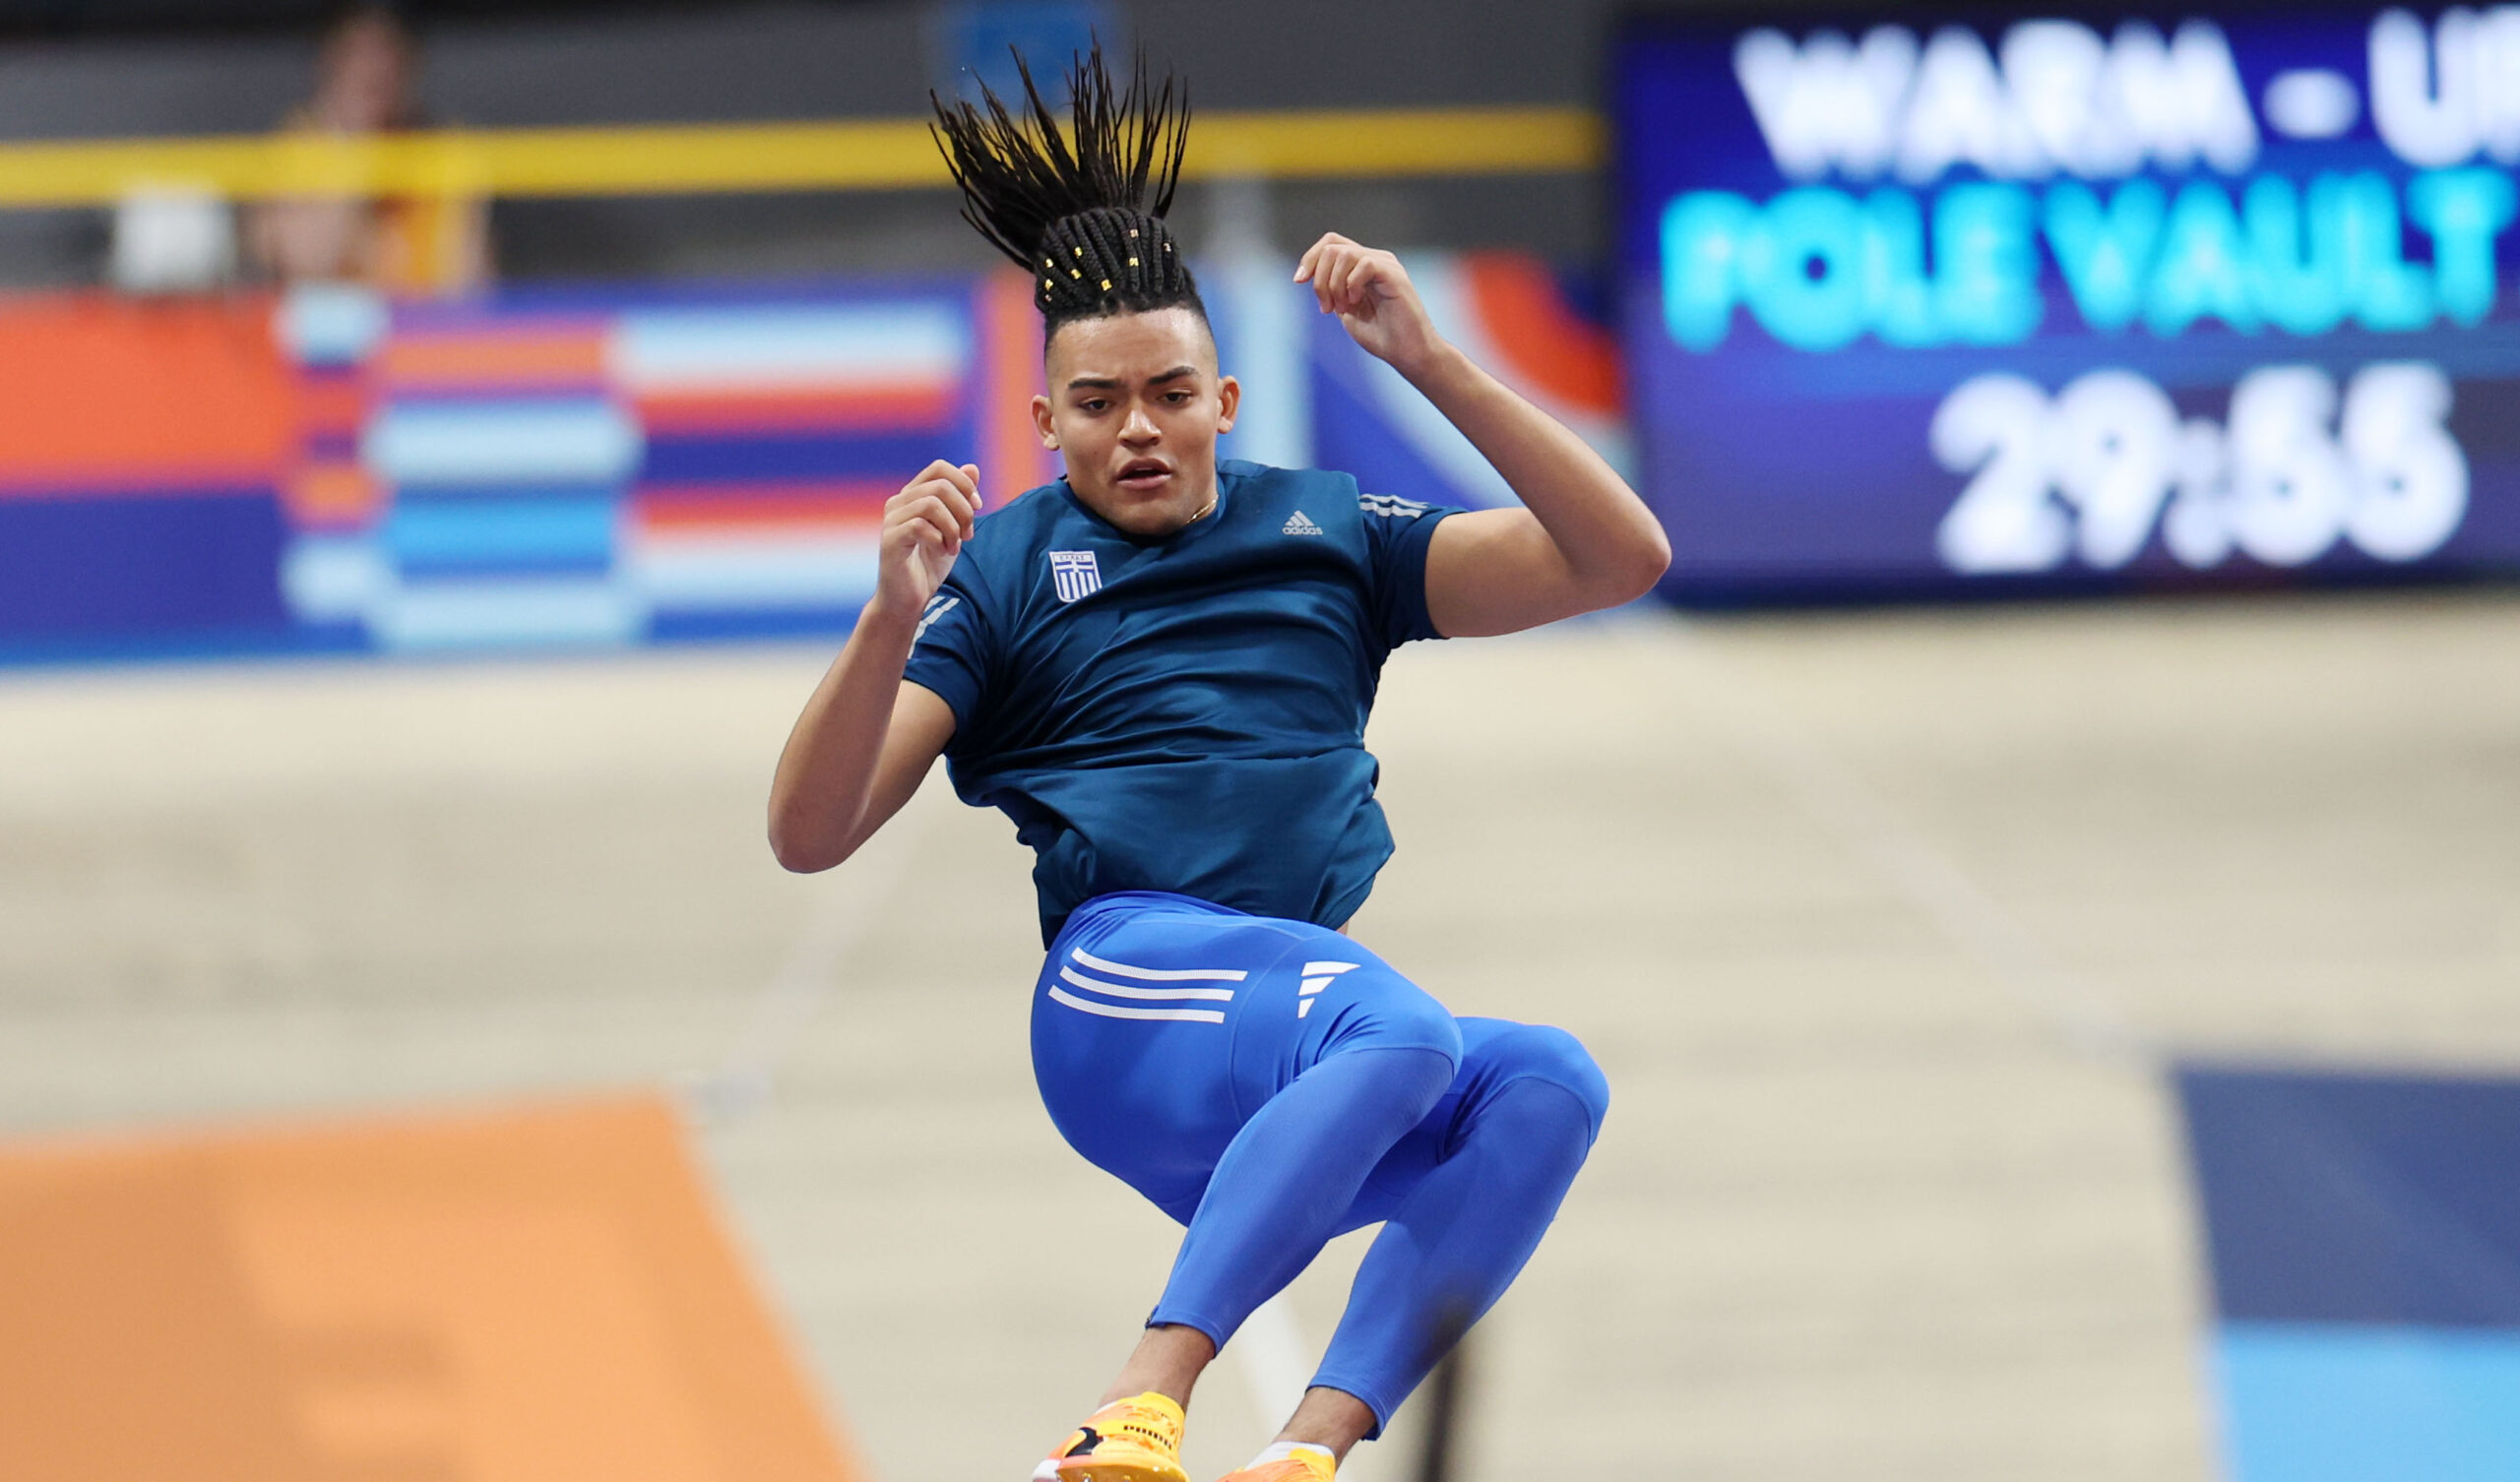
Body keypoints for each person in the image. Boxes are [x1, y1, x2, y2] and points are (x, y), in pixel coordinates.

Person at [769, 48, 1669, 1482]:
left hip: (1295, 1049)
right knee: (1403, 1030)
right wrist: (889, 616)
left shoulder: (1330, 536)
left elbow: (1619, 557)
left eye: (1170, 392)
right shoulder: (1001, 571)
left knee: (1546, 1082)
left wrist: (1429, 361)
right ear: (1045, 424)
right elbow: (810, 832)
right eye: (1097, 403)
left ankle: (1305, 1453)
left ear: (1226, 397)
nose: (1138, 427)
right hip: (1126, 998)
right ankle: (1138, 1402)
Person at [245, 3, 489, 296]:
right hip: (331, 321)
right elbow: (306, 266)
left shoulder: (444, 151)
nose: (375, 69)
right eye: (358, 53)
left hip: (421, 318)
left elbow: (467, 281)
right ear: (330, 61)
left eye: (388, 51)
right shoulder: (294, 148)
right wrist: (355, 151)